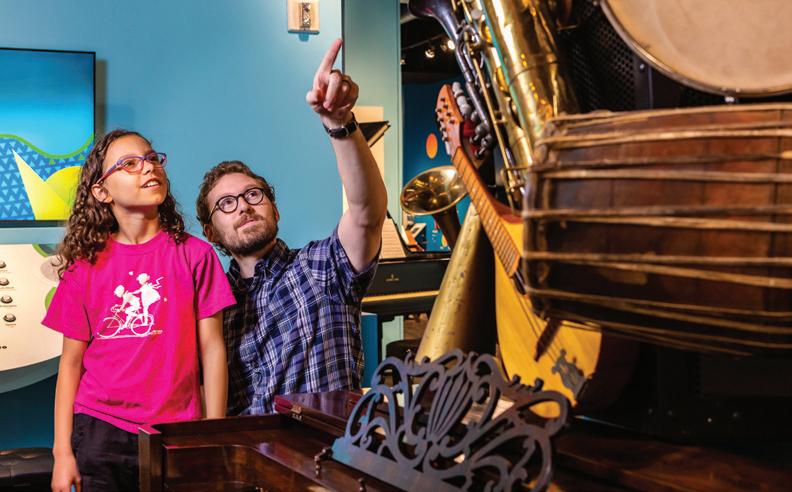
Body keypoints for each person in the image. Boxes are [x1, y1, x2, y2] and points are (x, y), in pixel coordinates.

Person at [195, 38, 387, 415]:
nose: (244, 206)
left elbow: (367, 213)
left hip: (326, 448)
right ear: (210, 233)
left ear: (275, 210)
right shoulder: (213, 306)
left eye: (253, 195)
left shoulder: (320, 268)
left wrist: (340, 124)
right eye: (227, 203)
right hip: (246, 452)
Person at [45, 130, 236, 492]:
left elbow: (212, 350)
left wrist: (213, 434)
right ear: (102, 191)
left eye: (151, 158)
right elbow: (70, 364)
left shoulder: (196, 255)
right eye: (129, 164)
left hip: (178, 431)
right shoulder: (83, 267)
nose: (148, 167)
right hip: (100, 430)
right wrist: (62, 453)